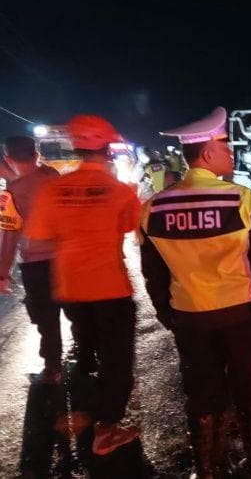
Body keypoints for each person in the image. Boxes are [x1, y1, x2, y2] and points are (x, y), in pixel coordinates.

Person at [139, 106, 251, 478]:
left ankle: (207, 468)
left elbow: (153, 274)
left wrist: (168, 315)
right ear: (207, 153)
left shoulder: (153, 208)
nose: (231, 153)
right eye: (225, 146)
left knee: (202, 394)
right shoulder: (242, 200)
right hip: (242, 315)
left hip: (190, 318)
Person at [24, 115, 142, 456]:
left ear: (75, 147)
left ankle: (80, 412)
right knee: (116, 360)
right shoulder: (121, 191)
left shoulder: (52, 190)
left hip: (71, 289)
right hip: (111, 288)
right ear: (107, 149)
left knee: (84, 351)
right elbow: (130, 228)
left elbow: (39, 235)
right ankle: (106, 429)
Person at [0, 136, 62, 383]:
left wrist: (3, 274)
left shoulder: (11, 194)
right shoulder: (54, 178)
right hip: (66, 258)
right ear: (36, 154)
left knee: (45, 317)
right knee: (74, 308)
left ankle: (53, 367)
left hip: (35, 264)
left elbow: (9, 236)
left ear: (8, 159)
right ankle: (86, 356)